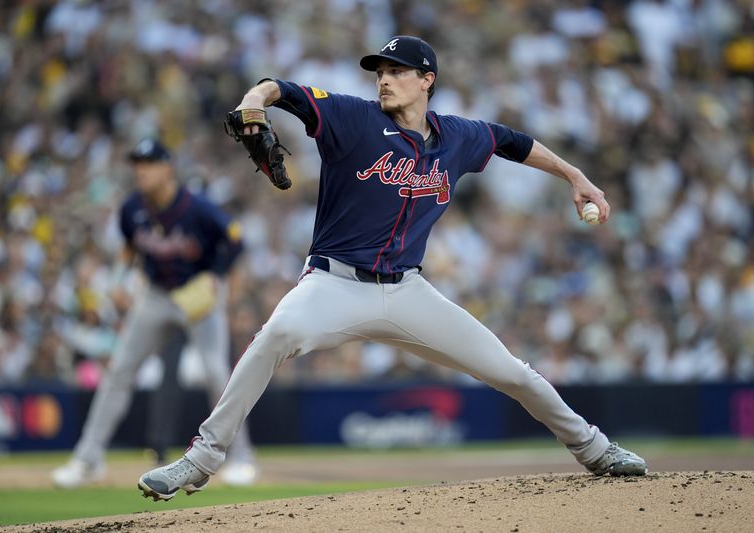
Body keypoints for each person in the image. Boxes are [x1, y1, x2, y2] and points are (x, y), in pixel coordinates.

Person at [138, 36, 647, 501]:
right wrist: (254, 100)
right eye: (379, 70)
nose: (383, 78)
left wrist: (574, 174)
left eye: (397, 70)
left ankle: (595, 449)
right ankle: (201, 459)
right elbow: (286, 90)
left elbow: (513, 142)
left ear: (426, 80)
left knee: (512, 372)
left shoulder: (458, 137)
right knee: (275, 336)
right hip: (333, 285)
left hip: (408, 292)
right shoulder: (354, 119)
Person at [52, 139, 257, 488]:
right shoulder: (132, 207)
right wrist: (117, 280)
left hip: (197, 297)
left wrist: (217, 280)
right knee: (119, 371)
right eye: (137, 163)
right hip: (156, 295)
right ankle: (87, 459)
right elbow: (130, 246)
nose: (141, 169)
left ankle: (241, 458)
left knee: (215, 373)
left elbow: (235, 240)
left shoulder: (198, 208)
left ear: (168, 168)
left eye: (149, 162)